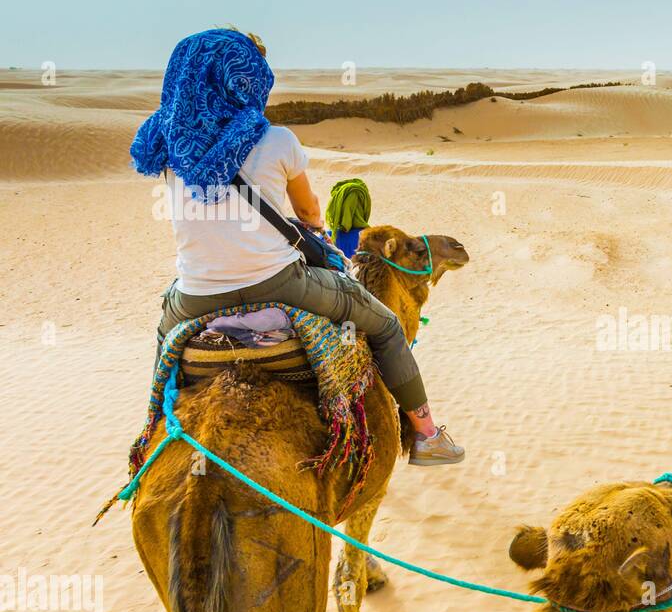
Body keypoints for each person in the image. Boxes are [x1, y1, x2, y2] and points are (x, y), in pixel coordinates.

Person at [133, 28, 463, 466]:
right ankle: (425, 435)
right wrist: (306, 230)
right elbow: (309, 214)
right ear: (247, 77)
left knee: (164, 338)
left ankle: (152, 430)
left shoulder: (168, 146)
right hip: (281, 283)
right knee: (384, 324)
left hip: (195, 295)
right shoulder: (277, 140)